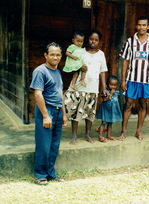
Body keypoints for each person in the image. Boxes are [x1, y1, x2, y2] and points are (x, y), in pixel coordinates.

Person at [30, 42, 68, 185]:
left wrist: (64, 114)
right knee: (44, 145)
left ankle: (50, 173)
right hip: (47, 110)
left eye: (58, 55)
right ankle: (40, 175)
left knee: (54, 145)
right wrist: (46, 115)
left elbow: (60, 94)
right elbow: (38, 94)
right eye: (52, 54)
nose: (55, 57)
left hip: (58, 111)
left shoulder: (58, 72)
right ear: (45, 55)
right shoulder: (40, 71)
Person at [118, 16, 149, 141]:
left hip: (146, 80)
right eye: (139, 25)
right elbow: (125, 61)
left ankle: (138, 131)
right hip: (131, 79)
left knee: (143, 105)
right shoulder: (130, 41)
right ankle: (123, 132)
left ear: (148, 27)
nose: (141, 27)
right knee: (128, 104)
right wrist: (123, 80)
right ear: (136, 26)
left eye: (144, 25)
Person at [64, 30, 108, 145]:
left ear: (99, 41)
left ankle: (87, 134)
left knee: (89, 112)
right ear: (87, 40)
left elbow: (102, 72)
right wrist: (80, 68)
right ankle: (74, 136)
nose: (93, 41)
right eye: (91, 39)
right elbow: (72, 64)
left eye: (96, 40)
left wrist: (104, 88)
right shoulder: (80, 51)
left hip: (93, 88)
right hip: (79, 86)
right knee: (76, 112)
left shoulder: (101, 54)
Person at [96, 75, 122, 142]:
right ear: (107, 84)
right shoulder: (105, 91)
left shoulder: (117, 92)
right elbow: (105, 100)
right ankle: (100, 136)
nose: (113, 87)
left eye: (115, 85)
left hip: (112, 110)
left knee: (110, 123)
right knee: (103, 123)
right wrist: (110, 94)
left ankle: (108, 135)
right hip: (106, 110)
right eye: (111, 85)